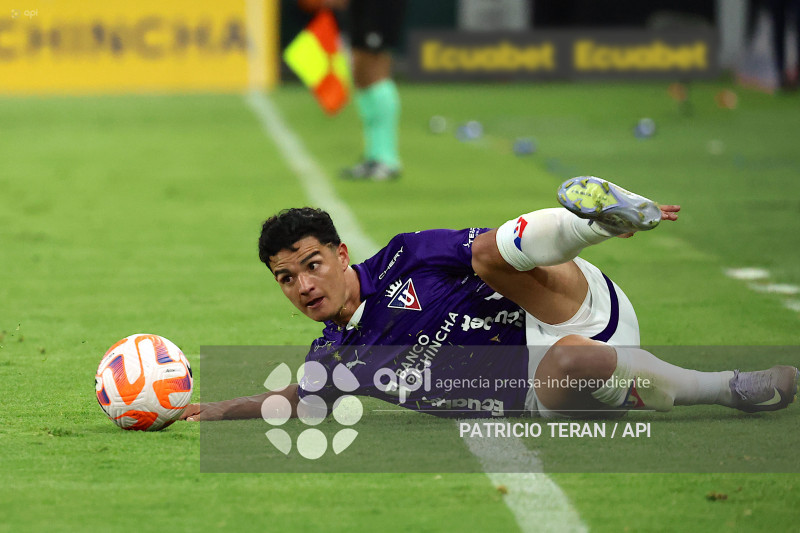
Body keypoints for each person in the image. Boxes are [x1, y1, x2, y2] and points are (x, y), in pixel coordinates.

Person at [180, 177, 799, 422]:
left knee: (484, 254)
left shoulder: (407, 255)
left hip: (569, 302)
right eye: (286, 279)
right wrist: (205, 411)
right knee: (568, 364)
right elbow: (288, 399)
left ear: (341, 254)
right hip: (556, 376)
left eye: (311, 266)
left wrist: (579, 236)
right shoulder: (338, 357)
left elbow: (497, 253)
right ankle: (720, 388)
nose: (304, 286)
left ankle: (595, 222)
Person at [301, 0, 406, 181]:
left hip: (378, 7)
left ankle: (387, 159)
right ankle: (374, 156)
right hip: (364, 7)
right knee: (361, 73)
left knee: (375, 69)